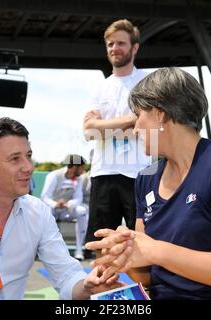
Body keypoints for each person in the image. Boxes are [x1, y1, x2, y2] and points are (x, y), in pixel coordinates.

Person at [86, 67, 211, 299]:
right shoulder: (146, 178)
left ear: (159, 113)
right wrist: (123, 254)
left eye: (138, 116)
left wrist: (158, 251)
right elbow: (148, 275)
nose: (134, 129)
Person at [0, 117, 121, 300]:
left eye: (28, 156)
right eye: (15, 159)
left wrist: (88, 286)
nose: (29, 167)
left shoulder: (37, 212)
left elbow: (66, 275)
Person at [83, 19, 150, 245]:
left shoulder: (147, 83)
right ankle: (104, 281)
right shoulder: (100, 87)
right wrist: (130, 120)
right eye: (110, 44)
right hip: (103, 171)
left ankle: (143, 283)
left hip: (139, 172)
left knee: (141, 240)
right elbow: (88, 132)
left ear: (134, 47)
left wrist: (103, 127)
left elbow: (145, 126)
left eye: (121, 43)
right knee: (100, 242)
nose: (115, 48)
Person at [40, 154, 88, 261]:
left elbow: (78, 198)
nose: (83, 170)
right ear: (75, 167)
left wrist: (69, 204)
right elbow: (45, 196)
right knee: (48, 211)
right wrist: (55, 204)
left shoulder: (78, 180)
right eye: (82, 167)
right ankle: (49, 251)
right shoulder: (54, 176)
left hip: (67, 210)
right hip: (52, 209)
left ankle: (79, 249)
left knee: (82, 211)